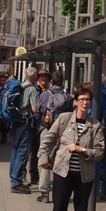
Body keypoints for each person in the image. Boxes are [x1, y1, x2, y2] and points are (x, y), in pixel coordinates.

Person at [38, 86, 105, 211]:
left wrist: (82, 150)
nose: (85, 103)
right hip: (63, 173)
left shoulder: (95, 126)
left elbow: (100, 152)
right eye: (81, 99)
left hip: (84, 177)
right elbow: (48, 139)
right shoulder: (64, 119)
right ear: (75, 102)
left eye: (88, 100)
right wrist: (43, 159)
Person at [36, 71, 71, 203]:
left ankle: (44, 193)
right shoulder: (68, 97)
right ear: (62, 82)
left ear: (51, 81)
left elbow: (38, 111)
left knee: (44, 159)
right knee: (60, 161)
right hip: (63, 132)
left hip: (47, 130)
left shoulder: (45, 95)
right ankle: (60, 191)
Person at [9, 66, 39, 193]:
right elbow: (34, 109)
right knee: (22, 151)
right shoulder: (32, 89)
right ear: (35, 77)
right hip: (25, 122)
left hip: (16, 122)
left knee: (15, 150)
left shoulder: (20, 86)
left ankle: (13, 177)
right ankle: (16, 182)